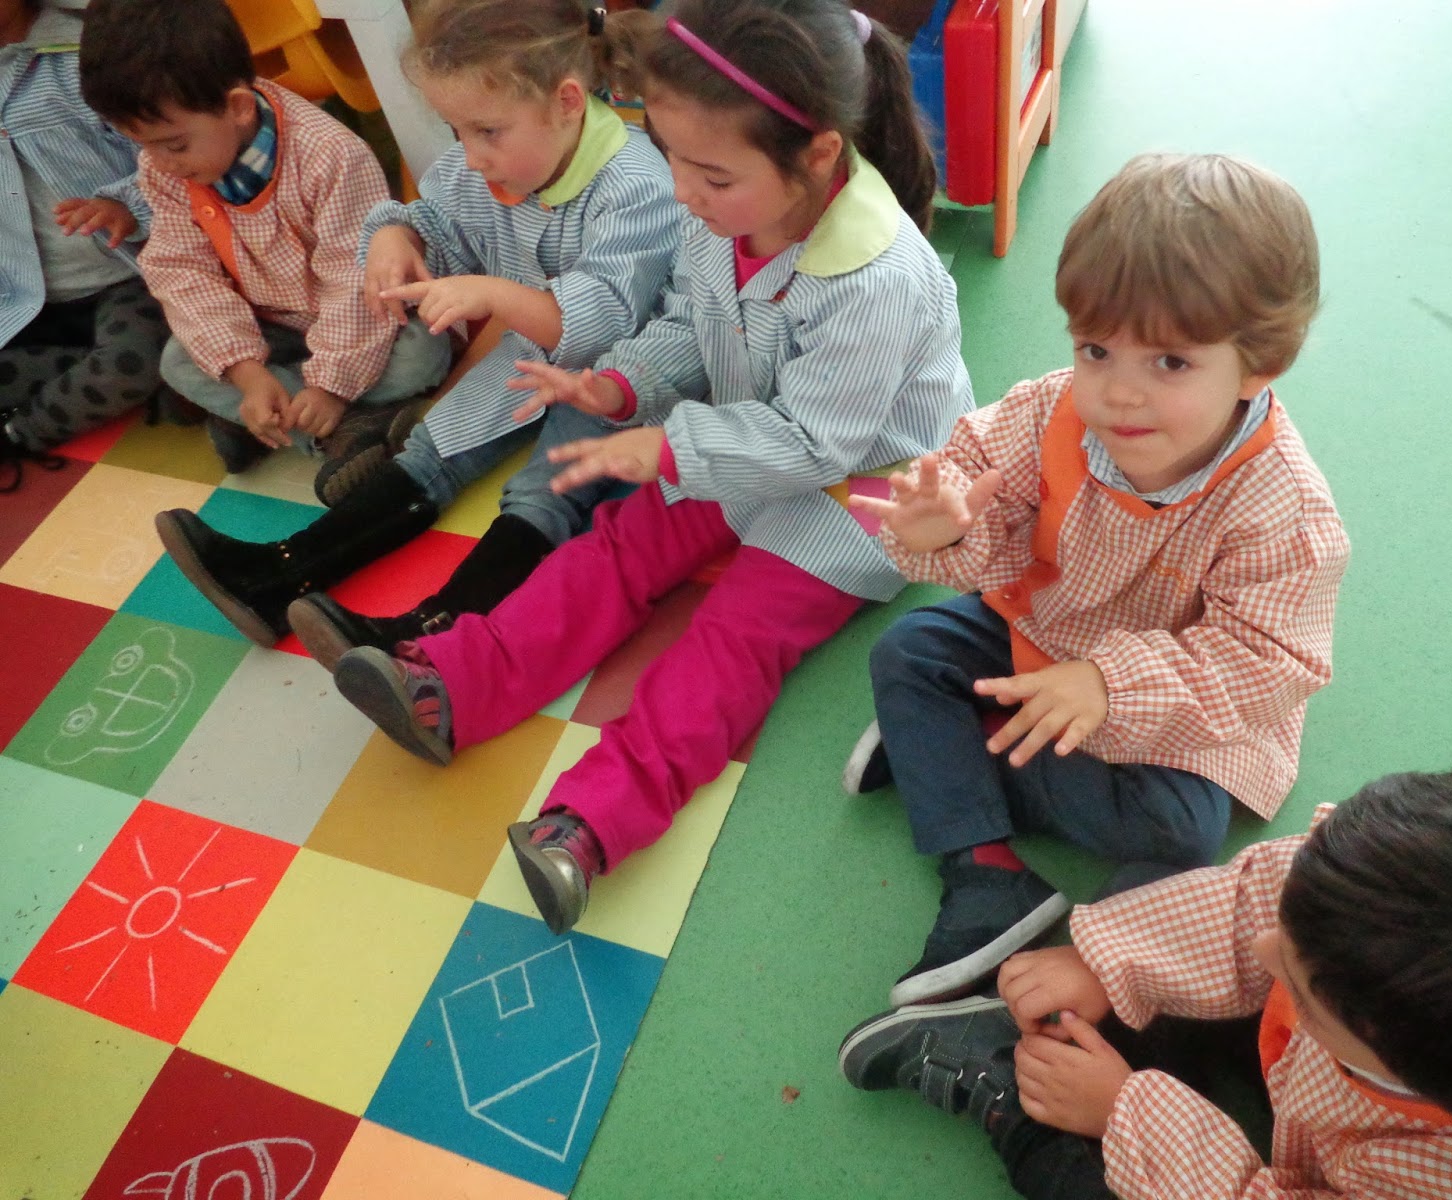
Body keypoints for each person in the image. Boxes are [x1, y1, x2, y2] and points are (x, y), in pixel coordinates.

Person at [331, 0, 975, 936]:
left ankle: (592, 824)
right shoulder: (723, 213)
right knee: (614, 547)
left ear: (819, 157)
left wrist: (670, 446)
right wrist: (620, 385)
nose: (682, 191)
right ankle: (457, 683)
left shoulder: (878, 279)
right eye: (671, 156)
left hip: (860, 496)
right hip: (740, 437)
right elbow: (688, 324)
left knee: (732, 639)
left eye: (710, 174)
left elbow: (816, 445)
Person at [844, 152, 1350, 1010]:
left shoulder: (1285, 512)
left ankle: (950, 753)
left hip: (1179, 713)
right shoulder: (1054, 410)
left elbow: (1267, 661)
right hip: (1050, 625)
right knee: (907, 651)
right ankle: (986, 872)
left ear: (1259, 365)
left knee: (1180, 831)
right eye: (1096, 348)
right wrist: (947, 526)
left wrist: (1112, 684)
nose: (1118, 393)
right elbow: (975, 472)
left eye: (1170, 363)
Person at [140, 0, 678, 650]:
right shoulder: (495, 164)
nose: (470, 156)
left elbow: (602, 320)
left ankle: (433, 637)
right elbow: (429, 216)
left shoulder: (636, 185)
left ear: (567, 101)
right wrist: (396, 235)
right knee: (435, 443)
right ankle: (278, 576)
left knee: (547, 489)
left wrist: (488, 291)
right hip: (536, 350)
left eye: (487, 131)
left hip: (633, 376)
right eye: (457, 131)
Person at [839, 761, 1452, 1199]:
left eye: (1307, 988)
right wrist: (1109, 960)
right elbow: (1256, 897)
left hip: (1333, 1166)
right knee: (1172, 935)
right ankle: (1073, 1047)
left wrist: (1127, 1113)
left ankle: (1016, 1101)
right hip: (1329, 1077)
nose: (1268, 950)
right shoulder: (1405, 881)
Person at [77, 0, 451, 493]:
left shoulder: (330, 156)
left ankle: (275, 420)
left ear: (238, 107)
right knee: (177, 361)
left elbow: (353, 277)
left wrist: (330, 385)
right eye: (141, 144)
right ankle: (339, 431)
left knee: (425, 351)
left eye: (174, 145)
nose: (158, 163)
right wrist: (248, 373)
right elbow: (182, 273)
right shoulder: (166, 168)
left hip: (359, 316)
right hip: (269, 325)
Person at [0, 0, 167, 493]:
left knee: (136, 358)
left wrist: (125, 206)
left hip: (127, 278)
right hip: (25, 296)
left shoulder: (87, 55)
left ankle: (19, 432)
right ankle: (114, 377)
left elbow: (170, 155)